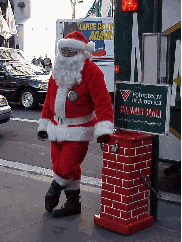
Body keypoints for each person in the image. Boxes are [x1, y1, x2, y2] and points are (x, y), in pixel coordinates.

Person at [37, 31, 114, 218]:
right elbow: (49, 101)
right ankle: (73, 204)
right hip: (56, 128)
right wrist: (43, 124)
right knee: (62, 166)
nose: (67, 54)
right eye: (64, 50)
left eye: (71, 50)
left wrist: (104, 128)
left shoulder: (92, 72)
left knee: (65, 167)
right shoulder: (56, 71)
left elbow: (103, 102)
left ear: (81, 52)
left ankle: (54, 190)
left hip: (79, 131)